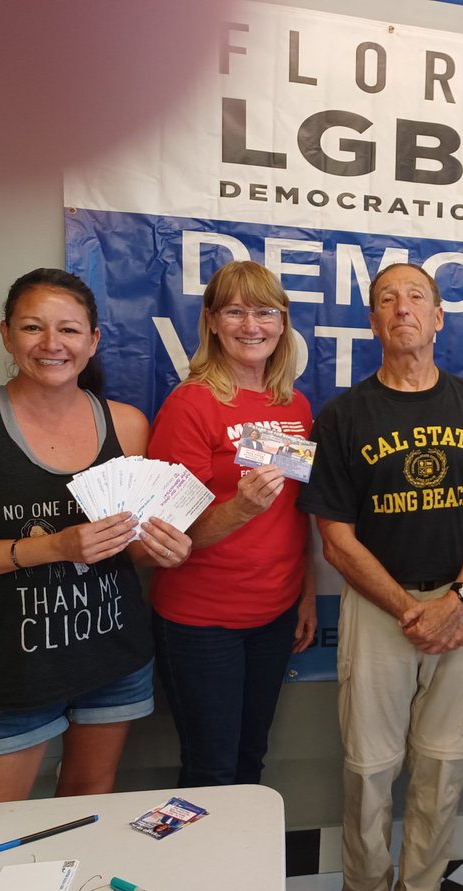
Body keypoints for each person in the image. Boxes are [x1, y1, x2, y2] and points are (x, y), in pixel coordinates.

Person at [0, 268, 191, 804]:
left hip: (117, 655)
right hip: (15, 666)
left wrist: (161, 549)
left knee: (88, 800)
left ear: (93, 341)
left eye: (69, 330)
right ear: (7, 336)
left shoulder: (127, 424)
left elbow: (127, 545)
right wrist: (53, 546)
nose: (52, 344)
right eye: (33, 328)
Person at [299, 262, 463, 891]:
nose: (402, 308)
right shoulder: (343, 416)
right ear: (373, 321)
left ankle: (419, 890)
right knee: (370, 767)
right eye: (387, 299)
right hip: (379, 607)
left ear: (438, 316)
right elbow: (336, 540)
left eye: (416, 297)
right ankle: (366, 889)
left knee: (445, 762)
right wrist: (408, 609)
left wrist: (456, 600)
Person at [146, 260, 315, 787]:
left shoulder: (296, 405)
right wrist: (240, 508)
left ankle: (241, 870)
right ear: (212, 321)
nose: (251, 325)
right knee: (211, 770)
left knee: (250, 761)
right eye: (235, 311)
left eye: (265, 312)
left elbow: (296, 513)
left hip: (275, 614)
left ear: (282, 322)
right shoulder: (190, 405)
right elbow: (171, 539)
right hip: (203, 623)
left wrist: (306, 594)